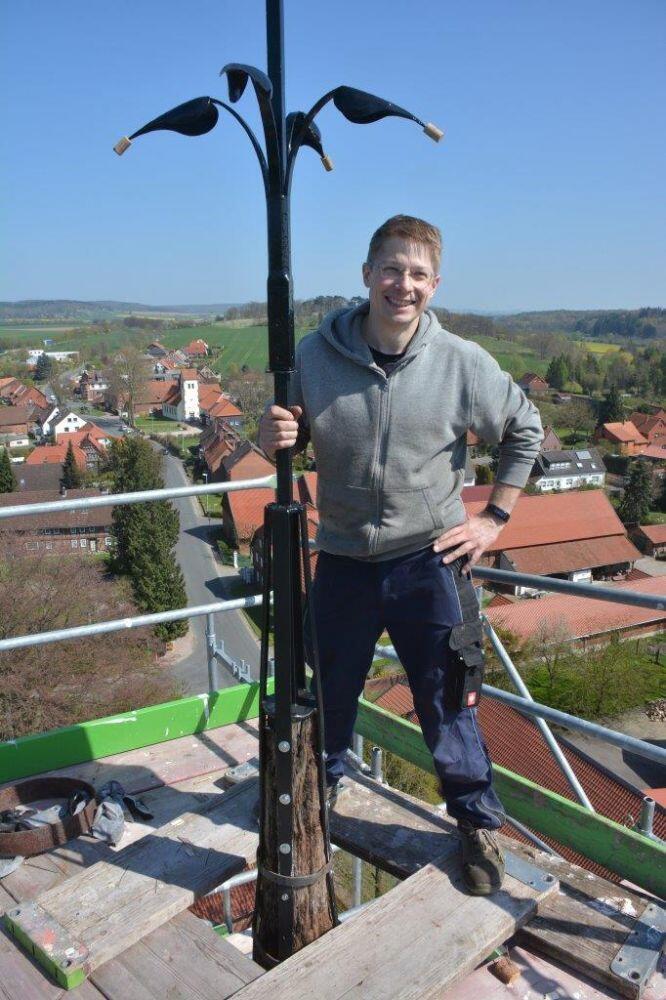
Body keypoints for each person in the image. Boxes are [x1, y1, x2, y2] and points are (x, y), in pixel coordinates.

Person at [259, 215, 543, 895]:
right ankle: (316, 794)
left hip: (429, 560)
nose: (403, 284)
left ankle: (475, 824)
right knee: (328, 692)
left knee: (447, 699)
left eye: (418, 274)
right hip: (343, 560)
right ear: (367, 274)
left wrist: (494, 518)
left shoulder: (462, 364)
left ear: (434, 284)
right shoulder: (315, 356)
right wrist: (272, 436)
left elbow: (525, 430)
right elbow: (286, 436)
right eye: (391, 268)